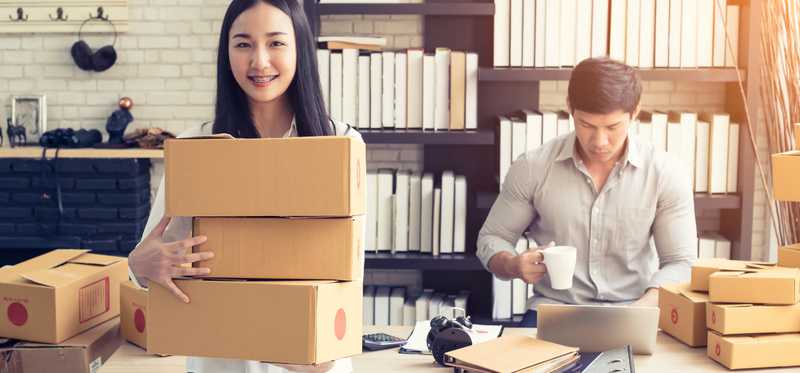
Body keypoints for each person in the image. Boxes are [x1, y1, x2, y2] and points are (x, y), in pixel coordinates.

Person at [127, 1, 359, 372]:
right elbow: (153, 264)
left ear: (300, 48)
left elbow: (350, 269)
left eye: (276, 43)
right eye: (243, 44)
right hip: (223, 361)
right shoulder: (196, 147)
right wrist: (137, 263)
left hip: (312, 362)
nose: (260, 61)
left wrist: (320, 355)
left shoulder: (341, 144)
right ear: (226, 53)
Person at [477, 57, 696, 325]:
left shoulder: (665, 173)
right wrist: (512, 265)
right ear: (570, 108)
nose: (600, 142)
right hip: (553, 309)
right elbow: (493, 237)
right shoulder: (532, 167)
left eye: (613, 127)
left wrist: (642, 308)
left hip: (635, 309)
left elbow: (680, 263)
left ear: (635, 112)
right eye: (587, 125)